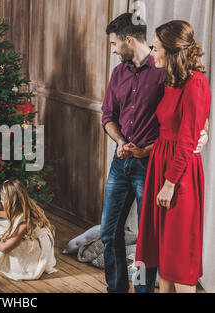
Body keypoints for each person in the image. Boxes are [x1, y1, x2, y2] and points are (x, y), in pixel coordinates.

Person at [100, 13, 209, 293]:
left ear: (127, 40)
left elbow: (192, 117)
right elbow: (107, 115)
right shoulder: (119, 73)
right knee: (115, 235)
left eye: (114, 44)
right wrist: (121, 142)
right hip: (122, 160)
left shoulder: (166, 73)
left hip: (152, 164)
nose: (112, 50)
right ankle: (116, 289)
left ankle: (143, 291)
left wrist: (204, 131)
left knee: (156, 246)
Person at [135, 21, 211, 293]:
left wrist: (170, 183)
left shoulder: (196, 83)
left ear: (171, 50)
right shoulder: (170, 80)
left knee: (179, 257)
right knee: (162, 254)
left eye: (156, 48)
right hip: (160, 163)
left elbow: (188, 138)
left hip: (179, 175)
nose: (152, 52)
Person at [0, 180, 56, 281]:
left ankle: (24, 264)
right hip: (34, 237)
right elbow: (13, 215)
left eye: (2, 200)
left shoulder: (24, 223)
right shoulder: (23, 207)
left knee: (2, 236)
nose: (1, 201)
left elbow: (5, 248)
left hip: (35, 246)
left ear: (10, 202)